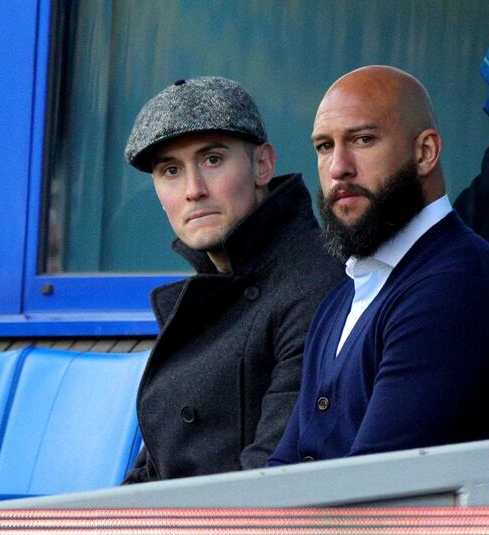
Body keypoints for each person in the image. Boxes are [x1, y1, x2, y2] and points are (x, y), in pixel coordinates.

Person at [268, 66, 489, 465]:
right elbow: (282, 470)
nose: (337, 169)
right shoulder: (343, 299)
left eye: (363, 140)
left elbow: (377, 491)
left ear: (425, 153)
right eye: (324, 147)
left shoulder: (454, 289)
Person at [122, 77, 344, 482]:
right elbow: (148, 474)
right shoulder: (206, 296)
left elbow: (272, 475)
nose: (193, 190)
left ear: (262, 165)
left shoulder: (317, 281)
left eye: (212, 160)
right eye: (170, 170)